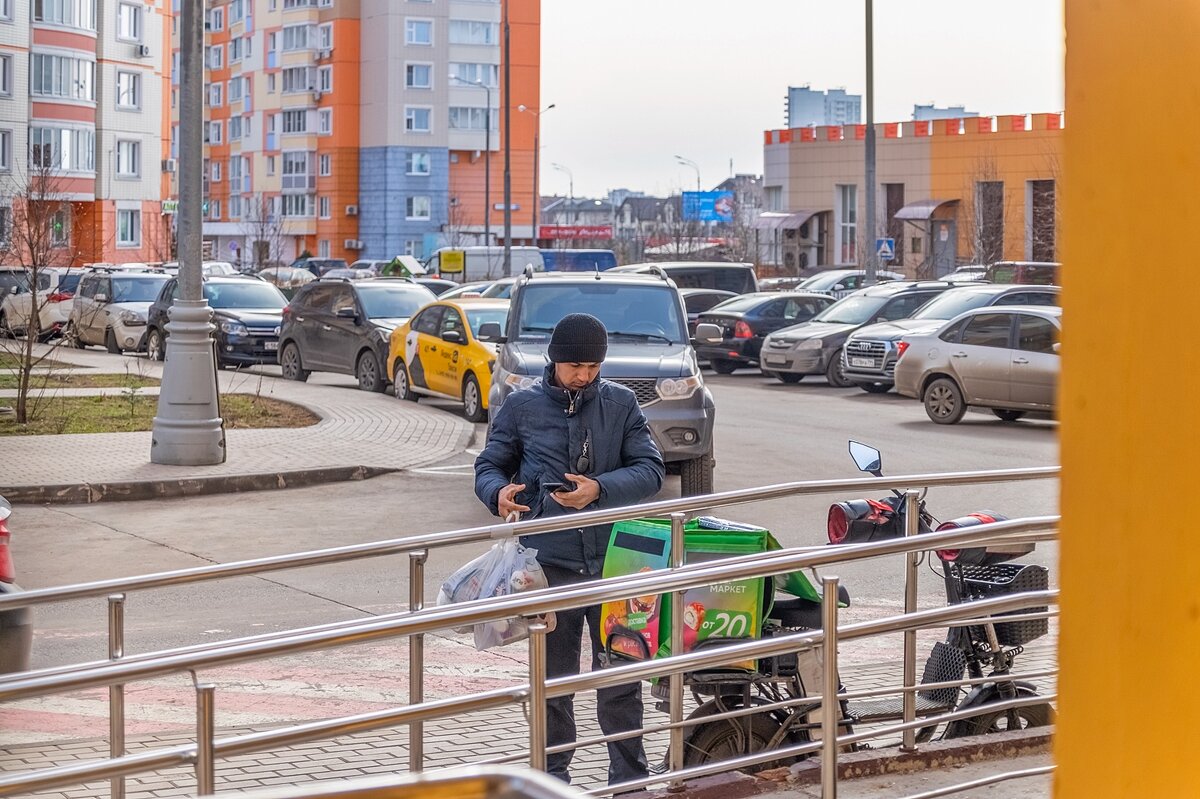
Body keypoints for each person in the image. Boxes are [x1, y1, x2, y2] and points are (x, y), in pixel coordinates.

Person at [474, 312, 665, 786]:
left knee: (621, 681)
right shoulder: (520, 407)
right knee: (553, 685)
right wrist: (496, 492)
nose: (585, 374)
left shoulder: (621, 404)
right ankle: (552, 780)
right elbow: (489, 465)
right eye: (575, 365)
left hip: (614, 566)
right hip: (548, 567)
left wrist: (598, 489)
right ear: (554, 361)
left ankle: (628, 781)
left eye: (594, 366)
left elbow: (650, 469)